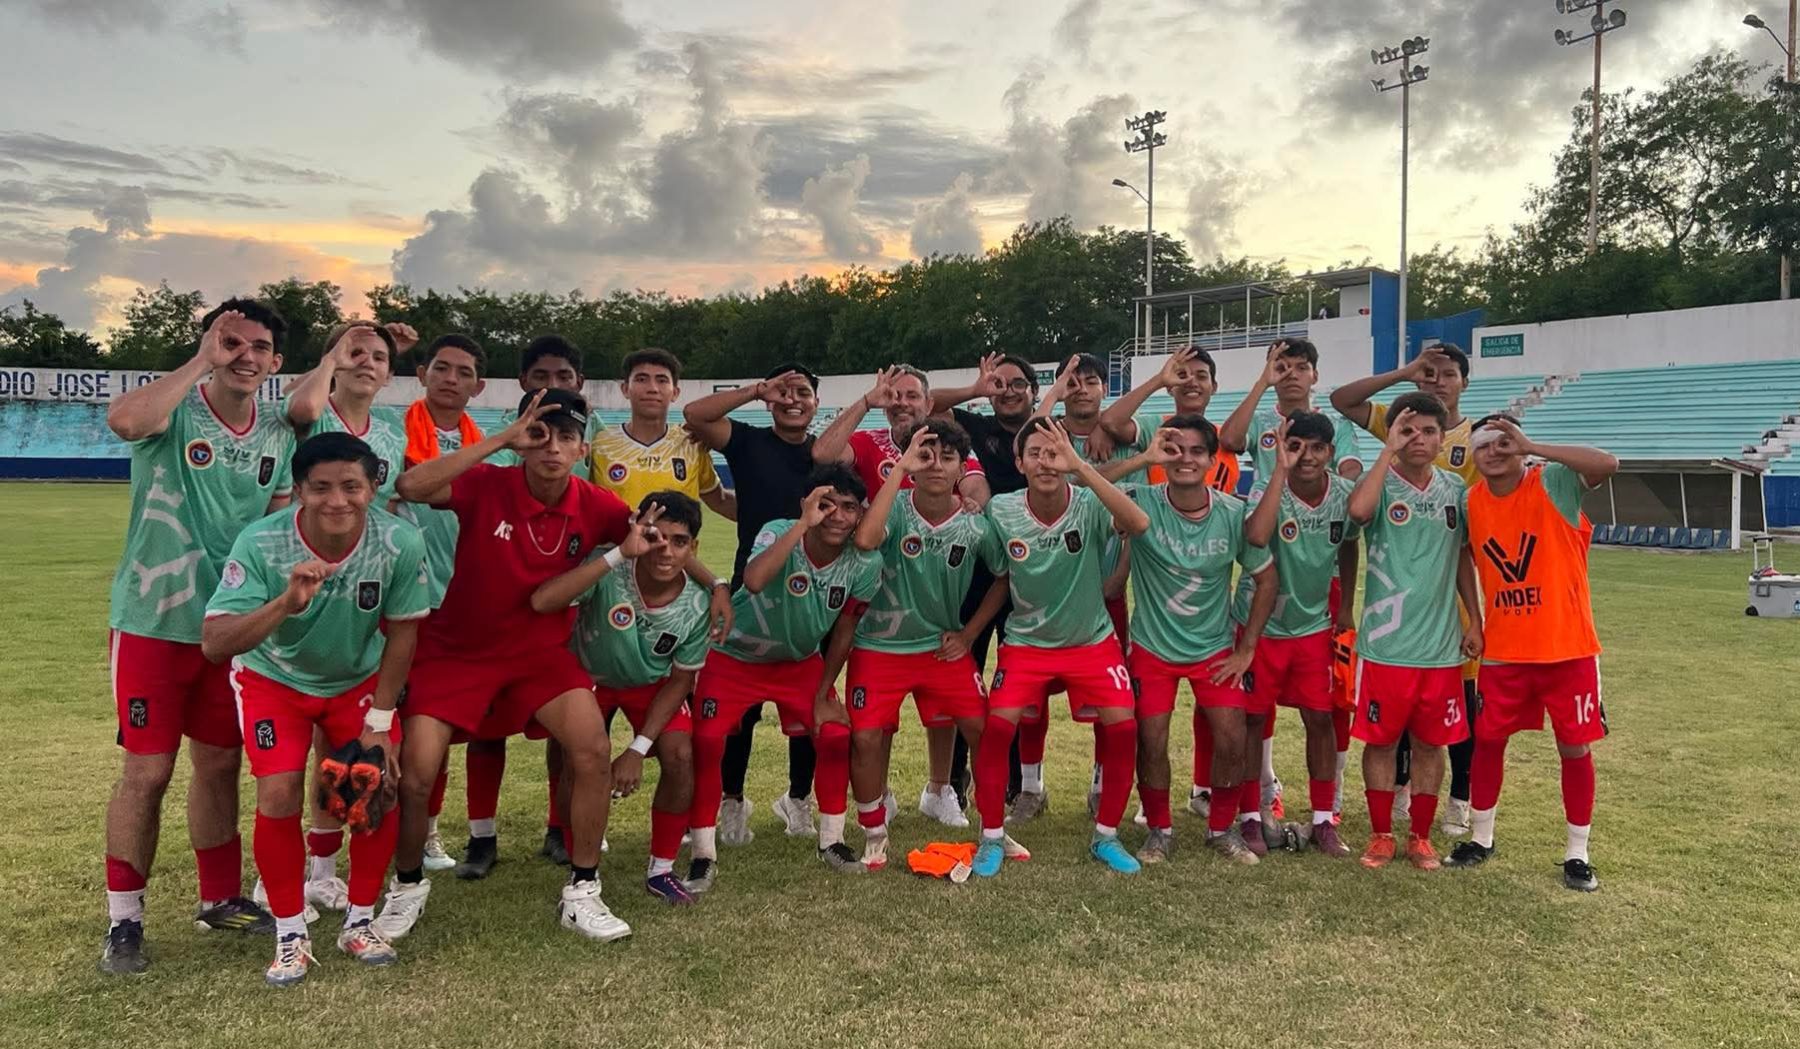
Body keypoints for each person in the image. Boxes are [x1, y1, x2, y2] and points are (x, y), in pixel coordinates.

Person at [381, 389, 634, 944]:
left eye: (566, 437)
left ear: (583, 449)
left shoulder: (598, 505)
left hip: (539, 655)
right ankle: (406, 885)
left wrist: (714, 585)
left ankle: (583, 889)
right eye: (539, 434)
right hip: (458, 650)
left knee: (592, 749)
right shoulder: (487, 482)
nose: (552, 447)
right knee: (418, 774)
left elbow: (653, 539)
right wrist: (500, 440)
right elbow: (410, 485)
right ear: (522, 440)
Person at [100, 300, 296, 976]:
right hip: (152, 624)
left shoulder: (278, 433)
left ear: (276, 362)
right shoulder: (174, 409)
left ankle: (219, 899)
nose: (245, 355)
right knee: (148, 771)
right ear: (212, 345)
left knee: (218, 763)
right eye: (231, 342)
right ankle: (124, 921)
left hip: (226, 630)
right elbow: (125, 421)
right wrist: (199, 360)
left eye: (259, 346)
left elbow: (274, 527)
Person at [200, 433, 429, 986]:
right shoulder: (262, 542)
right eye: (321, 487)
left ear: (372, 487)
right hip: (273, 679)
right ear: (299, 490)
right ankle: (289, 933)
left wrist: (380, 721)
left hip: (355, 681)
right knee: (278, 793)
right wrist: (286, 602)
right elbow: (215, 642)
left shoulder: (399, 541)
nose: (337, 500)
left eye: (351, 486)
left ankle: (359, 922)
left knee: (372, 784)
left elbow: (403, 633)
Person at [275, 320, 417, 915]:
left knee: (344, 745)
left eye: (379, 357)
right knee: (302, 748)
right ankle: (294, 870)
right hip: (307, 586)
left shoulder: (388, 432)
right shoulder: (313, 413)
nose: (366, 362)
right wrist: (336, 355)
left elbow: (391, 507)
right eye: (354, 352)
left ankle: (324, 867)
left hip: (365, 587)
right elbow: (302, 405)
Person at [686, 466, 883, 888]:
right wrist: (802, 525)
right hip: (734, 657)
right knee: (706, 741)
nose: (837, 516)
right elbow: (755, 580)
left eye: (849, 507)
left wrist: (825, 690)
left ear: (861, 514)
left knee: (834, 734)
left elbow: (845, 629)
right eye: (826, 504)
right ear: (807, 504)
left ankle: (832, 840)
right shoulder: (779, 530)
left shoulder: (865, 562)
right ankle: (702, 852)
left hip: (798, 662)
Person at [972, 418, 1150, 877]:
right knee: (998, 727)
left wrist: (1081, 469)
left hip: (1091, 640)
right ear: (1019, 462)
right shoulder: (1002, 510)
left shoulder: (1089, 502)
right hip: (1027, 643)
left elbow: (1138, 522)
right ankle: (991, 836)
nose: (1046, 462)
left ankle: (1106, 835)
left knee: (1123, 727)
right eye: (1036, 453)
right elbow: (999, 573)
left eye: (1055, 452)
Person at [1446, 415, 1617, 892]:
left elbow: (1607, 463)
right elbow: (1463, 554)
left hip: (1568, 648)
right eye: (1485, 445)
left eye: (1505, 443)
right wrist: (1475, 620)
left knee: (1574, 746)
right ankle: (1481, 838)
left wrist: (1532, 445)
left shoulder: (1553, 482)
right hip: (1505, 651)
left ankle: (1577, 852)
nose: (1494, 452)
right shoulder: (1471, 500)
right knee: (1489, 741)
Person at [531, 491, 714, 905]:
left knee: (680, 756)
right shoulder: (610, 567)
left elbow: (681, 680)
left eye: (679, 541)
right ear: (639, 534)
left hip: (650, 684)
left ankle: (661, 870)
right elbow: (543, 601)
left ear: (693, 547)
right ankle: (578, 858)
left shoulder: (698, 603)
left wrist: (637, 749)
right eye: (655, 537)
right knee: (578, 763)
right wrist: (615, 555)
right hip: (588, 678)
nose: (666, 551)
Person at [841, 421, 1011, 870]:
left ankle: (993, 831)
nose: (935, 465)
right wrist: (899, 469)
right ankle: (874, 831)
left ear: (961, 468)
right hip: (879, 647)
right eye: (925, 455)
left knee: (984, 730)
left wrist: (970, 634)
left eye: (947, 457)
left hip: (940, 648)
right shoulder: (893, 507)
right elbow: (865, 539)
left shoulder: (974, 524)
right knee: (865, 736)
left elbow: (1002, 576)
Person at [1332, 343, 1481, 836]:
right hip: (1386, 640)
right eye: (1408, 430)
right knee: (1381, 738)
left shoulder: (1456, 489)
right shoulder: (1382, 480)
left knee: (1436, 738)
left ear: (1442, 438)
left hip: (1441, 640)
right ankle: (1382, 831)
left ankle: (1428, 828)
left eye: (1429, 432)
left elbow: (1463, 557)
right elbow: (1358, 513)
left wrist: (1476, 619)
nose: (1419, 438)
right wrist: (1388, 449)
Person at [1218, 338, 1365, 822]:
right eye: (1282, 367)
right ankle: (1263, 792)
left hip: (1319, 578)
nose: (1291, 374)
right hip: (1266, 566)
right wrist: (1262, 381)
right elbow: (1229, 441)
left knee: (1326, 706)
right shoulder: (1262, 421)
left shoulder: (1333, 428)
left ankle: (1329, 804)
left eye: (1301, 367)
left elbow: (1350, 492)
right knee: (1255, 707)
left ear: (1314, 375)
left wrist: (1346, 602)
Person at [1120, 415, 1277, 866]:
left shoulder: (1231, 513)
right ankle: (1159, 830)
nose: (1184, 459)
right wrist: (1142, 459)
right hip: (1152, 646)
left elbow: (1266, 579)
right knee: (1151, 738)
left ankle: (1221, 829)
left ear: (1212, 460)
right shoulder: (1141, 501)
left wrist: (1247, 649)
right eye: (1174, 450)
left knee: (1231, 737)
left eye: (1195, 451)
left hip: (1213, 648)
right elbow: (1082, 485)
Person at [682, 363, 827, 843]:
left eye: (802, 392)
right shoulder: (746, 440)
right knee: (740, 712)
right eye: (783, 391)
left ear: (816, 403)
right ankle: (732, 801)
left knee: (807, 709)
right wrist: (756, 389)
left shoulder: (824, 454)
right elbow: (695, 414)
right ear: (769, 400)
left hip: (810, 589)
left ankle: (798, 799)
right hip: (753, 587)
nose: (792, 400)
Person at [1239, 411, 1362, 859]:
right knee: (1253, 720)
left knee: (1320, 718)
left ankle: (1324, 820)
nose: (1306, 456)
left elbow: (1349, 542)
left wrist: (1344, 605)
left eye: (1316, 447)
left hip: (1312, 625)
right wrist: (1280, 472)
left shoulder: (1343, 495)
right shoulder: (1266, 487)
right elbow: (1256, 536)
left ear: (1330, 452)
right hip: (1261, 624)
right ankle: (1251, 816)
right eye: (1296, 445)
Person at [394, 333, 488, 874]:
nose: (452, 379)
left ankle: (427, 833)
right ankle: (334, 850)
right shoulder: (393, 434)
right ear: (422, 373)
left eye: (464, 372)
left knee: (438, 726)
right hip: (400, 600)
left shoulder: (488, 444)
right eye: (442, 368)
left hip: (458, 600)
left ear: (478, 387)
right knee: (381, 722)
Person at [927, 353, 1037, 812]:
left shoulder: (1046, 431)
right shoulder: (976, 426)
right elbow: (930, 404)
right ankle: (952, 781)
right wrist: (975, 389)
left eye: (1018, 383)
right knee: (963, 669)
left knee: (1015, 679)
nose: (1007, 391)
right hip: (976, 568)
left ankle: (1016, 783)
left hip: (1031, 572)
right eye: (1000, 383)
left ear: (1034, 390)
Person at [812, 364, 991, 509]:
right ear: (884, 407)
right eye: (894, 396)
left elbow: (975, 485)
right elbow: (822, 454)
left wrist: (970, 506)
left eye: (912, 396)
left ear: (929, 405)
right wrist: (866, 402)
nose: (902, 403)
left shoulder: (948, 444)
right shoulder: (867, 441)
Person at [1097, 345, 1241, 494]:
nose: (1192, 382)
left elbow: (1229, 490)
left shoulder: (1227, 438)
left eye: (1201, 376)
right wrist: (1160, 380)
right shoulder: (1156, 428)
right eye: (1182, 376)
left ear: (1214, 387)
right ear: (1170, 387)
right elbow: (1110, 421)